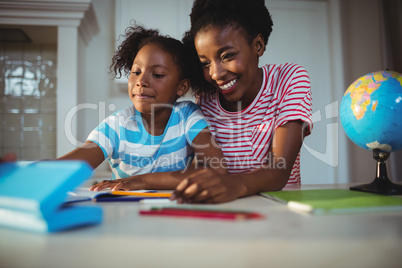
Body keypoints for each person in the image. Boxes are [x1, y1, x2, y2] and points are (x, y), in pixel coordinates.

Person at [169, 0, 313, 203]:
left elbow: (279, 170)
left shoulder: (289, 79)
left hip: (280, 213)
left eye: (227, 56)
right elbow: (203, 166)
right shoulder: (207, 98)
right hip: (225, 209)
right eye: (205, 63)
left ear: (258, 45)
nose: (215, 74)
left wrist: (232, 184)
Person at [59, 25, 226, 191]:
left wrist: (143, 181)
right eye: (136, 71)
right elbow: (69, 167)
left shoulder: (188, 115)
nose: (141, 81)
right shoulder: (117, 125)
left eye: (157, 74)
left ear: (182, 87)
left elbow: (216, 170)